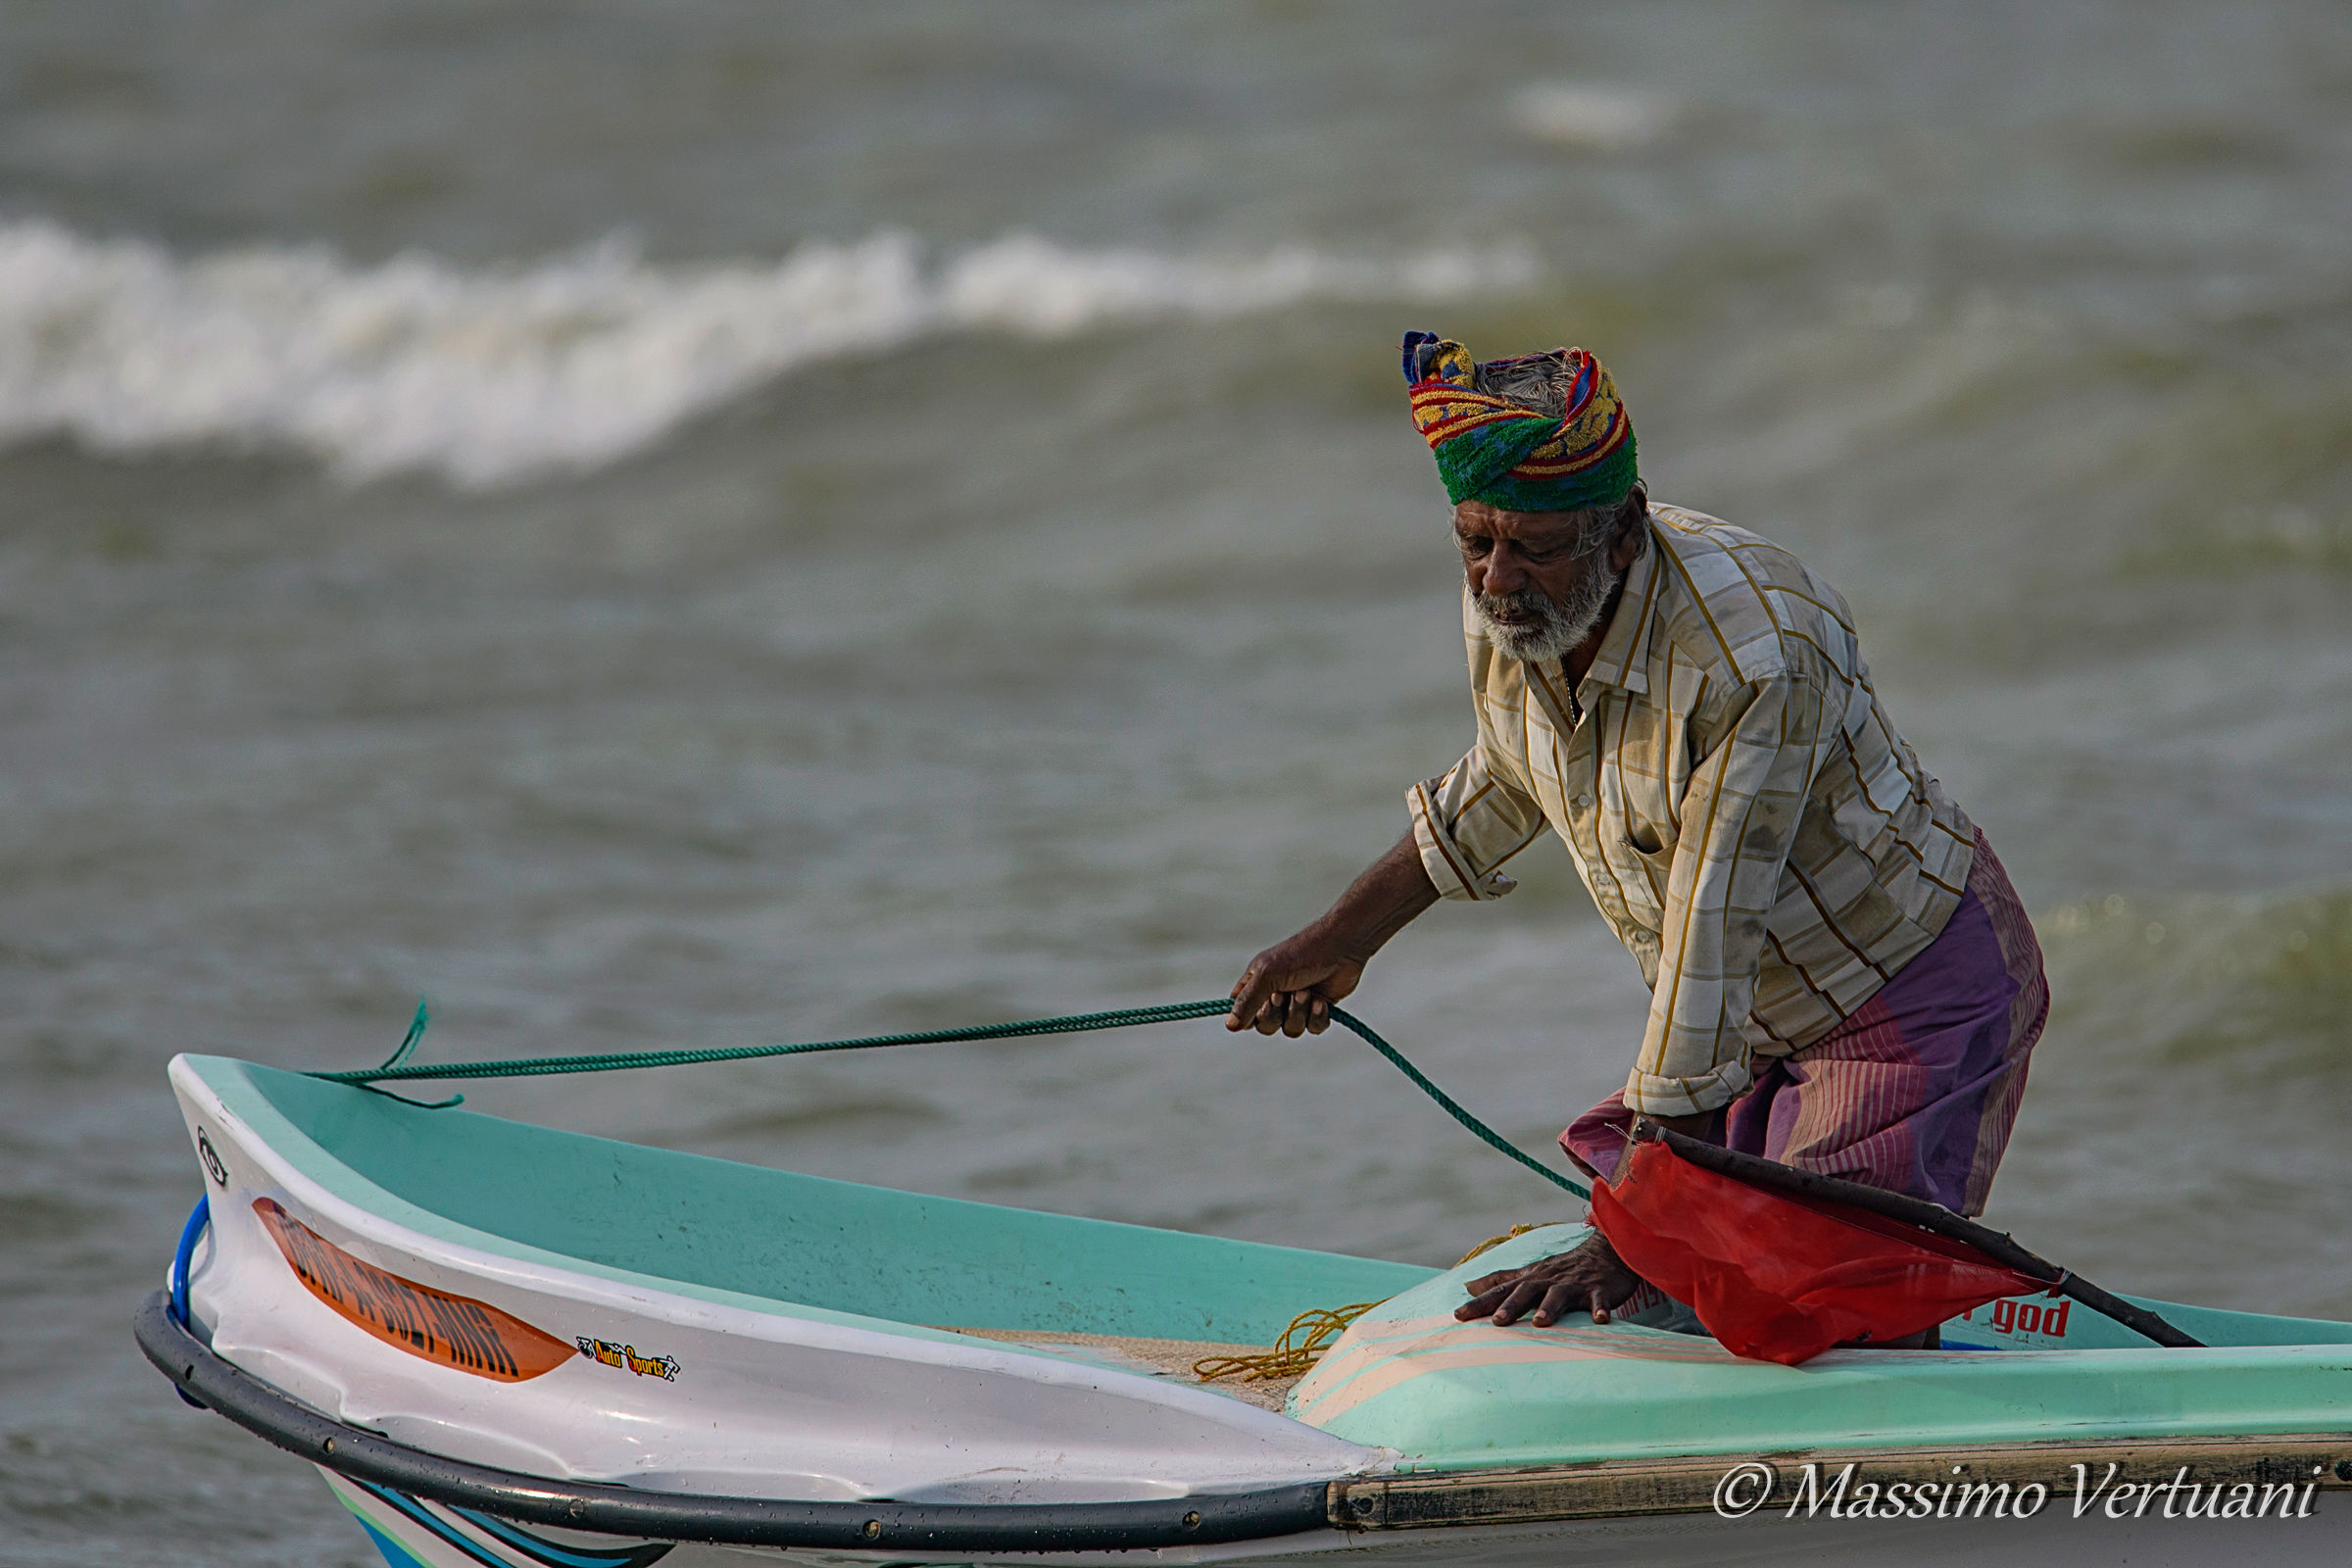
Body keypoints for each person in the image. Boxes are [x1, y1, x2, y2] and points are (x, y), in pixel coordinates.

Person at [1225, 332, 2047, 1339]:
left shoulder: (1753, 661)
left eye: (1530, 548)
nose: (1495, 579)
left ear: (1623, 536)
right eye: (1474, 542)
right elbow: (1512, 767)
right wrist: (1345, 935)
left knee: (1816, 1308)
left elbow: (1711, 929)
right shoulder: (1518, 590)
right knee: (1711, 1284)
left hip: (1900, 995)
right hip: (1749, 1021)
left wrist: (1629, 1236)